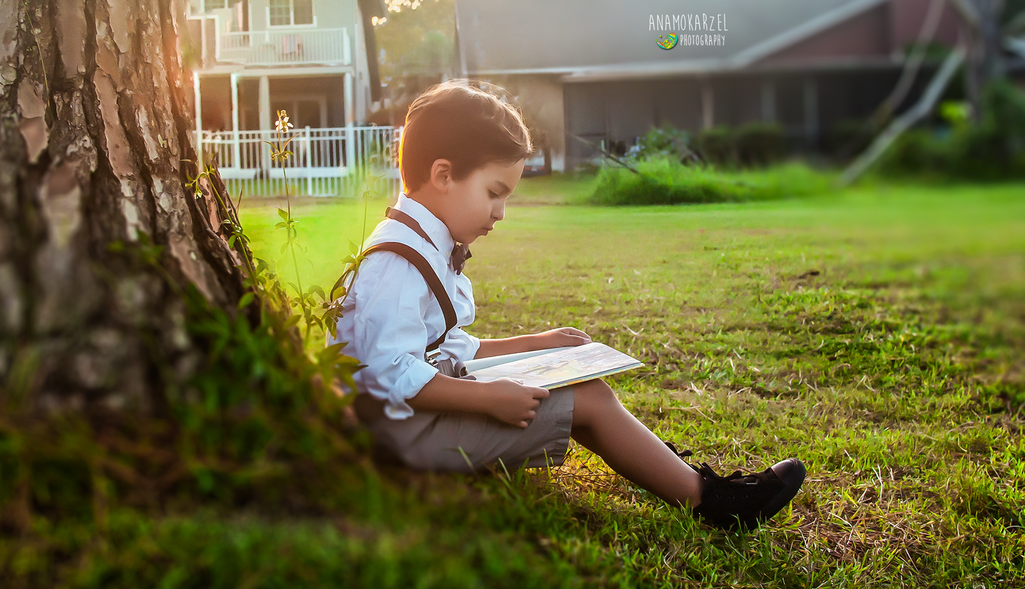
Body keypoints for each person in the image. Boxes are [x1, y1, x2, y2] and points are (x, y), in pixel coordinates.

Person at [332, 82, 805, 530]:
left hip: (413, 422)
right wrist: (488, 398)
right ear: (443, 175)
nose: (501, 212)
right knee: (589, 399)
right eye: (494, 193)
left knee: (581, 383)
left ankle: (679, 474)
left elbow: (444, 347)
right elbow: (388, 372)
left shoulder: (420, 242)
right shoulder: (397, 261)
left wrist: (538, 344)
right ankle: (714, 502)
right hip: (402, 439)